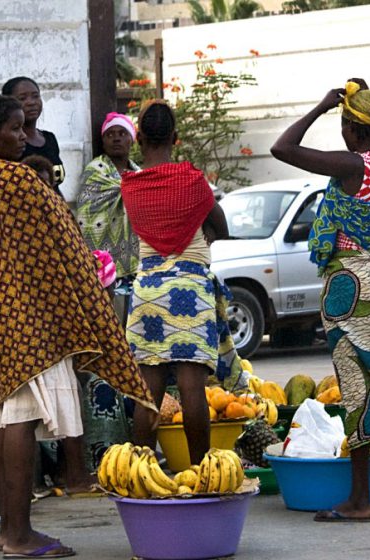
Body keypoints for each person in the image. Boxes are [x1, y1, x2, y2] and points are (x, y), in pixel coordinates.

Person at [0, 93, 153, 558]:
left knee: (4, 415)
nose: (24, 136)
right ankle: (20, 535)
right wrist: (89, 298)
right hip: (24, 313)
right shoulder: (17, 181)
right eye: (15, 128)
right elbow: (62, 242)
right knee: (19, 416)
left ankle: (8, 529)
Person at [271, 80, 370, 521]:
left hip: (350, 288)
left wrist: (321, 104)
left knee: (358, 390)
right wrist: (369, 99)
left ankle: (359, 500)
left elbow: (284, 147)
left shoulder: (351, 166)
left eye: (344, 125)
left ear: (353, 130)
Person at [121, 100, 240, 471]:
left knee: (149, 393)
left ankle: (141, 474)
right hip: (189, 286)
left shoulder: (131, 186)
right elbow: (220, 226)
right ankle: (201, 471)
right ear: (176, 137)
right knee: (192, 391)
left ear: (138, 139)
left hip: (149, 289)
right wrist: (199, 229)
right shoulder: (193, 181)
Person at [76, 112, 141, 283]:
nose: (116, 138)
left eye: (122, 133)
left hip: (137, 264)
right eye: (110, 134)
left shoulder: (140, 174)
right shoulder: (95, 172)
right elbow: (86, 215)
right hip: (103, 265)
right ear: (103, 141)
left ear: (132, 139)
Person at [2, 77, 66, 187]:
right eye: (22, 98)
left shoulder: (50, 138)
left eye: (36, 96)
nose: (31, 102)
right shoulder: (11, 143)